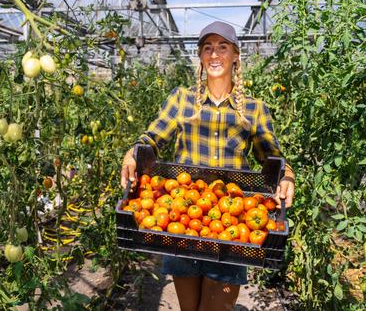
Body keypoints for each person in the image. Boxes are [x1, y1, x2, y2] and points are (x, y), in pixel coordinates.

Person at [120, 21, 295, 311]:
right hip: (181, 222)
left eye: (222, 47)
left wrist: (287, 177)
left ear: (235, 56)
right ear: (201, 56)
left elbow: (273, 157)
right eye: (208, 48)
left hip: (233, 226)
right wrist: (132, 153)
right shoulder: (181, 100)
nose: (215, 55)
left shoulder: (253, 108)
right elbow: (152, 137)